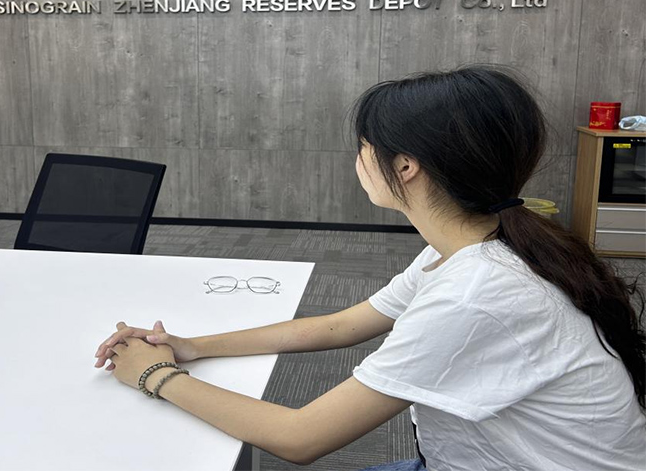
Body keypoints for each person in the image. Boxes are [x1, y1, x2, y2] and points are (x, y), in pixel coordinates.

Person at [94, 66, 646, 470]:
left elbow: (300, 438)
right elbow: (342, 325)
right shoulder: (475, 243)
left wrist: (153, 375)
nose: (358, 160)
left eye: (364, 147)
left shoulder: (476, 292)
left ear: (405, 166)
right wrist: (192, 346)